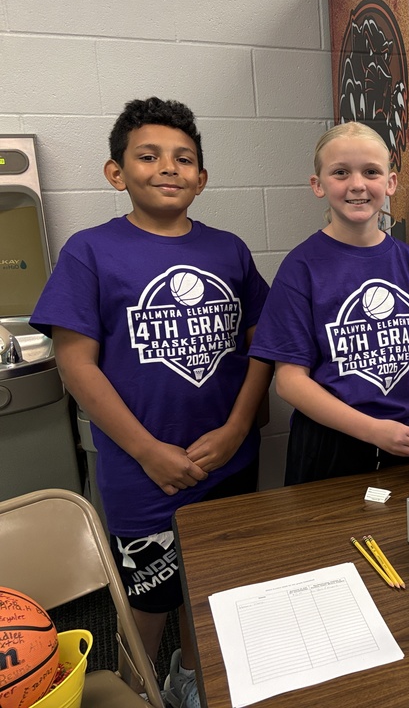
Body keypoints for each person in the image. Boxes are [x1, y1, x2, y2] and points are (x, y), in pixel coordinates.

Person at [30, 97, 272, 708]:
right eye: (149, 156)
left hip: (228, 462)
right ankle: (138, 689)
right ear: (117, 173)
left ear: (202, 177)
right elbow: (75, 363)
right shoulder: (90, 252)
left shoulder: (230, 251)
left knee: (212, 589)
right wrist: (147, 451)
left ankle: (192, 680)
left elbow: (261, 347)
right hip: (144, 475)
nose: (168, 168)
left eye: (184, 158)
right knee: (148, 600)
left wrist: (239, 427)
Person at [249, 122, 409, 482]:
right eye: (341, 173)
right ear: (318, 185)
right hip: (331, 446)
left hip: (408, 439)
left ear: (390, 182)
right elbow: (289, 381)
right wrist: (372, 430)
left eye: (371, 172)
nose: (358, 184)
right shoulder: (301, 268)